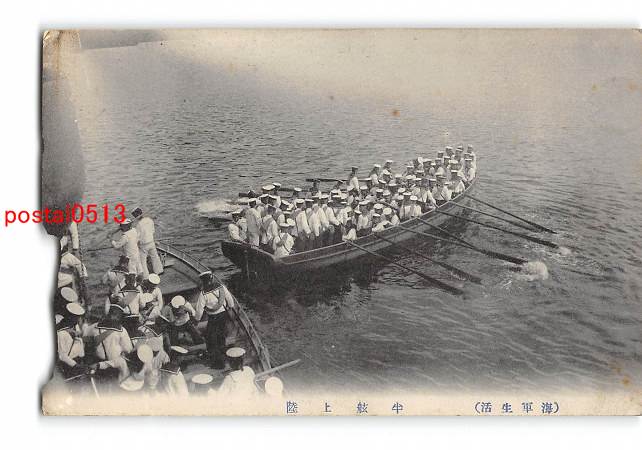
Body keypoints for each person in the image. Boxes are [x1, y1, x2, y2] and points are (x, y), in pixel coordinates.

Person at [194, 272, 234, 369]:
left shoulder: (203, 293)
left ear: (203, 281)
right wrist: (231, 306)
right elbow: (229, 298)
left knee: (210, 338)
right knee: (221, 335)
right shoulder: (221, 287)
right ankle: (224, 354)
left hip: (213, 317)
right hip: (223, 315)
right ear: (211, 279)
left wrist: (197, 320)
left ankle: (218, 362)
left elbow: (199, 309)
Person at [90, 303, 133, 382]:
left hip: (98, 362)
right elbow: (128, 349)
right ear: (119, 316)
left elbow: (92, 342)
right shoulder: (121, 330)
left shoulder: (96, 327)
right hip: (114, 364)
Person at [56, 302, 87, 378]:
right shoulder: (61, 333)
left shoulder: (74, 326)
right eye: (77, 317)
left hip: (78, 361)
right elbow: (62, 355)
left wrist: (82, 358)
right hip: (69, 365)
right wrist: (76, 365)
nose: (79, 320)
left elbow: (79, 340)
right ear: (70, 317)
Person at [131, 208, 163, 279]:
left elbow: (137, 237)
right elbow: (153, 231)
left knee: (142, 261)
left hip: (144, 245)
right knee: (155, 257)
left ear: (136, 216)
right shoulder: (149, 220)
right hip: (151, 242)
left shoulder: (138, 225)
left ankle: (146, 276)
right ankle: (159, 271)